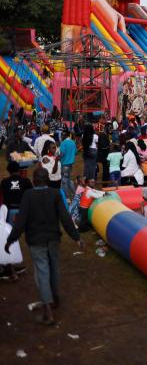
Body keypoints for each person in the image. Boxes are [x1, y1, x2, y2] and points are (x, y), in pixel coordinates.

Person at [4, 168, 85, 325]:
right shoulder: (55, 194)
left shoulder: (28, 196)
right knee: (53, 268)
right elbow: (65, 218)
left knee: (42, 271)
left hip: (36, 240)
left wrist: (11, 239)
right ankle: (55, 298)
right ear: (47, 179)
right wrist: (76, 238)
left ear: (34, 180)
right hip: (53, 238)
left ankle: (48, 311)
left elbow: (21, 221)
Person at [59, 130, 77, 200]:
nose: (61, 137)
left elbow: (62, 154)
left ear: (64, 135)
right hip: (70, 164)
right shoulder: (73, 142)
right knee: (68, 179)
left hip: (64, 163)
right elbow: (75, 152)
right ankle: (74, 194)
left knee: (64, 181)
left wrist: (57, 157)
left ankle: (66, 197)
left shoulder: (63, 143)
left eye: (62, 135)